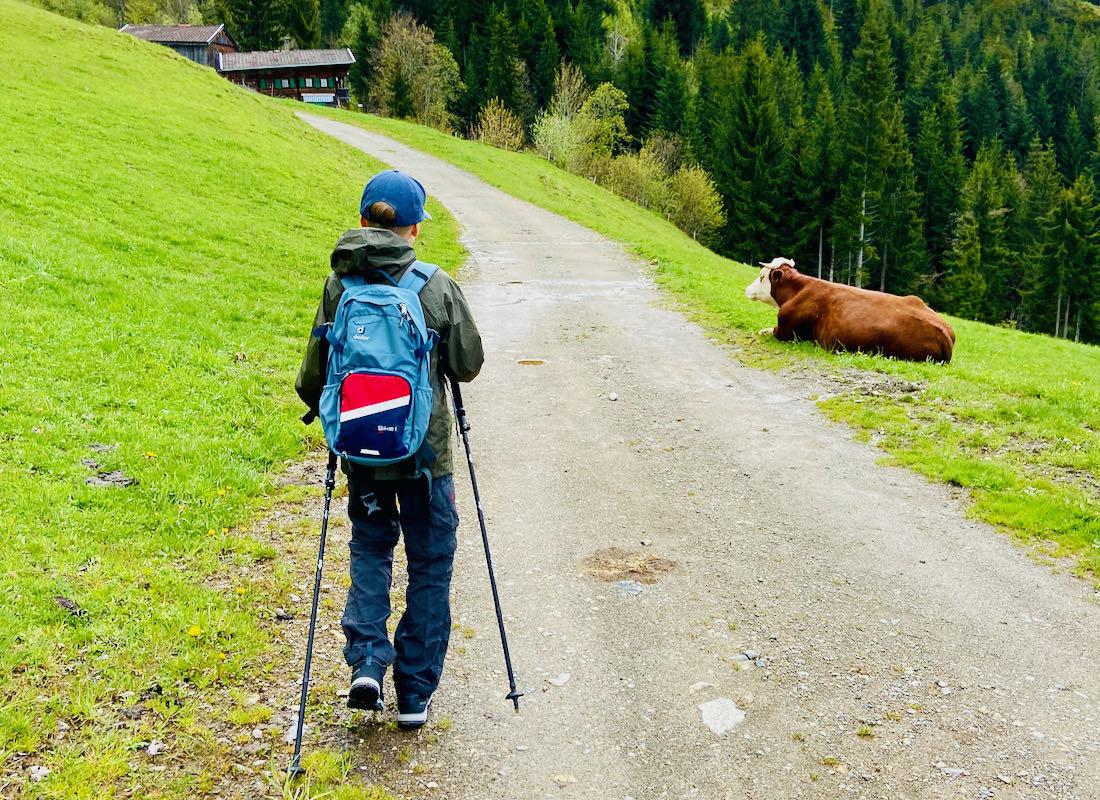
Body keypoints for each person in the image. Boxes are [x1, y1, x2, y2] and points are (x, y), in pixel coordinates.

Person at [296, 170, 484, 729]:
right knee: (430, 563)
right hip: (425, 458)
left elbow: (312, 377)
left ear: (362, 221)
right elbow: (467, 364)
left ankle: (368, 664)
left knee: (371, 549)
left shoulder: (340, 286)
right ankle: (415, 694)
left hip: (363, 453)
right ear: (415, 229)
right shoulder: (435, 285)